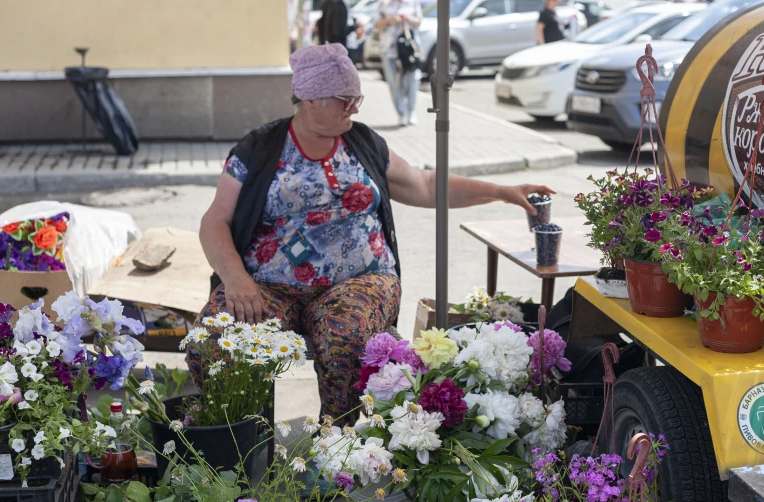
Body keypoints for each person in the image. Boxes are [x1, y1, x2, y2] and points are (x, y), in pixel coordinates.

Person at [192, 43, 554, 425]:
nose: (356, 106)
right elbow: (214, 221)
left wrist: (501, 192)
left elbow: (426, 185)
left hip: (360, 281)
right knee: (217, 339)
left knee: (343, 334)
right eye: (345, 99)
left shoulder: (364, 143)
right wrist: (235, 278)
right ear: (310, 99)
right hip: (267, 287)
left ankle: (337, 444)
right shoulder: (259, 148)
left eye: (357, 97)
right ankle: (234, 442)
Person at [373, 0, 422, 126]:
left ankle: (411, 111)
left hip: (408, 49)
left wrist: (408, 18)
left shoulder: (412, 3)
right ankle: (402, 114)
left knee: (412, 80)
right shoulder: (384, 3)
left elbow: (419, 22)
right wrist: (390, 20)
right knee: (394, 83)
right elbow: (376, 24)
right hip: (389, 49)